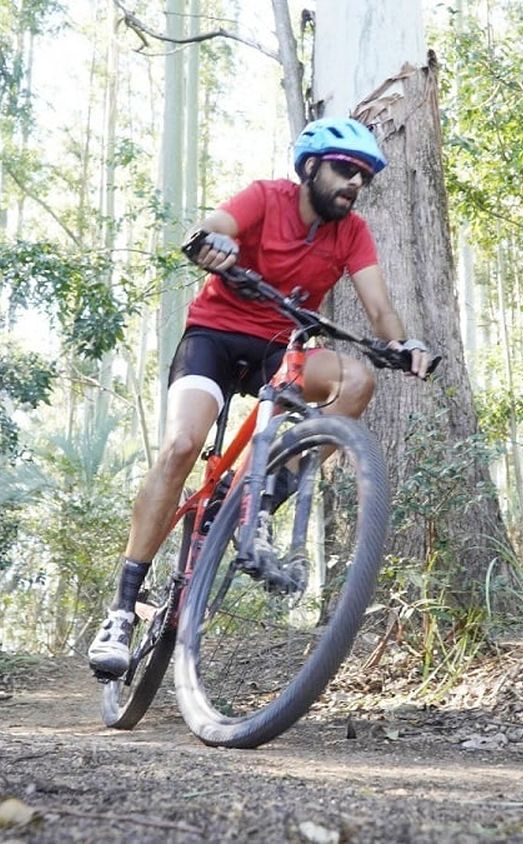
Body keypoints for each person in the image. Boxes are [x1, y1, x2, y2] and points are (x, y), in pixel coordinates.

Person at [88, 116, 434, 678]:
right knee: (180, 446)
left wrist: (402, 344)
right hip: (215, 339)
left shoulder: (353, 232)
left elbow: (378, 305)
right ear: (311, 168)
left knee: (357, 379)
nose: (354, 184)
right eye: (345, 170)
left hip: (283, 346)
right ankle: (123, 609)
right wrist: (214, 243)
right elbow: (216, 225)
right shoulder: (264, 198)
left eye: (364, 177)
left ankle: (256, 493)